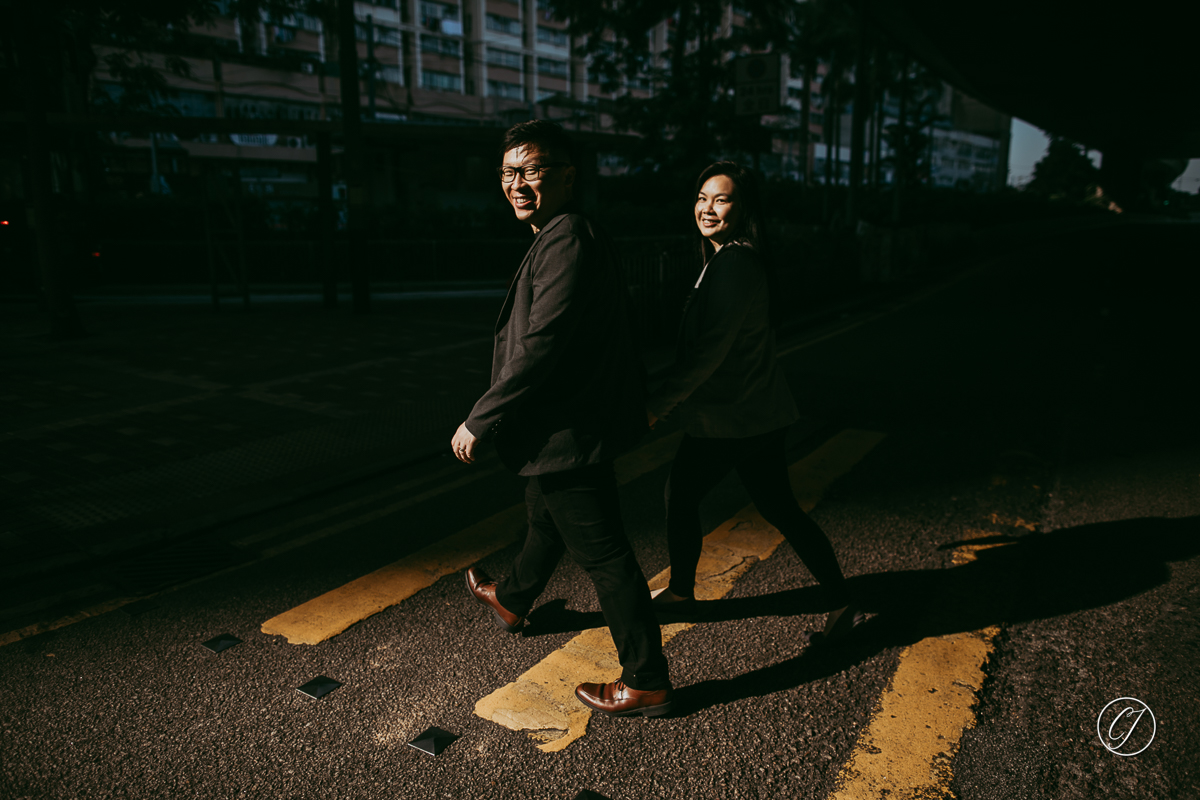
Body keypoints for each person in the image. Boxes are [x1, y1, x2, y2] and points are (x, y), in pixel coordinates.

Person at [454, 120, 672, 717]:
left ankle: (647, 677)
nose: (516, 183)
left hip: (566, 428)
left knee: (605, 556)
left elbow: (543, 342)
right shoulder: (563, 233)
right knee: (544, 517)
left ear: (568, 176)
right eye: (507, 173)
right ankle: (513, 598)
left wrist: (481, 417)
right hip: (565, 426)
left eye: (531, 169)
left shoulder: (567, 237)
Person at [646, 161, 858, 638]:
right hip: (756, 412)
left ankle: (681, 592)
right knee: (779, 507)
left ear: (744, 209)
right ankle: (843, 601)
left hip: (735, 417)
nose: (707, 208)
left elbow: (710, 351)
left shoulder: (736, 263)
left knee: (680, 495)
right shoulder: (724, 259)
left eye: (721, 199)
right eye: (702, 198)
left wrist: (659, 403)